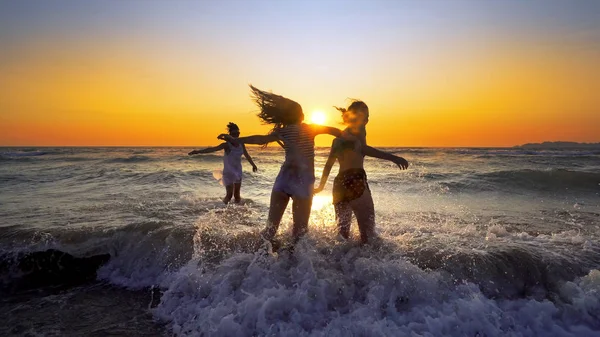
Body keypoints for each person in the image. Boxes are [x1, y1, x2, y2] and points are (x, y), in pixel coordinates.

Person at [218, 85, 360, 243]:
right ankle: (291, 266)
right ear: (301, 116)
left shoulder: (283, 132)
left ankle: (254, 260)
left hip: (283, 181)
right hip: (303, 183)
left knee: (270, 230)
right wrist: (351, 138)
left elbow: (259, 140)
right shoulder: (311, 129)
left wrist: (236, 140)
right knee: (299, 235)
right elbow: (334, 130)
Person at [314, 100, 409, 244]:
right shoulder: (360, 130)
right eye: (365, 116)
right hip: (355, 180)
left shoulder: (336, 140)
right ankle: (368, 265)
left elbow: (328, 165)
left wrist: (321, 186)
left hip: (339, 185)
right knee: (368, 237)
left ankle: (339, 264)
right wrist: (393, 157)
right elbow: (363, 149)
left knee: (342, 237)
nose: (367, 119)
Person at [189, 122, 258, 204]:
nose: (237, 135)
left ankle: (237, 212)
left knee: (237, 195)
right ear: (230, 134)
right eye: (234, 133)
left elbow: (246, 155)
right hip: (229, 172)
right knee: (229, 195)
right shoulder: (226, 145)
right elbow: (212, 149)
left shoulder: (241, 144)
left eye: (238, 133)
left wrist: (253, 165)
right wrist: (197, 152)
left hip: (238, 171)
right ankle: (221, 208)